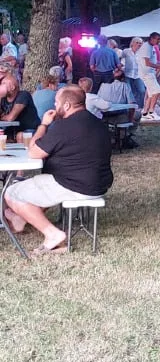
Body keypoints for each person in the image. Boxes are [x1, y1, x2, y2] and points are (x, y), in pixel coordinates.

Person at [3, 85, 113, 254]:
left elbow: (34, 152)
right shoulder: (97, 123)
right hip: (99, 183)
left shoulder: (64, 126)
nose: (54, 106)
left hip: (73, 185)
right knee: (38, 185)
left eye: (56, 102)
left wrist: (44, 124)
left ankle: (53, 234)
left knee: (12, 193)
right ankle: (20, 218)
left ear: (67, 105)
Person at [136, 32, 160, 120]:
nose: (159, 41)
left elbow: (153, 61)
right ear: (152, 38)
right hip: (146, 73)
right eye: (157, 39)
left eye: (159, 39)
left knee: (151, 94)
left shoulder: (151, 47)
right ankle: (151, 111)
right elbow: (147, 63)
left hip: (149, 73)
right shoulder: (146, 47)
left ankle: (145, 113)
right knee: (157, 91)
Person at [1, 76, 41, 142]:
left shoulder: (23, 95)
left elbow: (10, 118)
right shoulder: (3, 99)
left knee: (20, 135)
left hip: (29, 130)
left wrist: (3, 117)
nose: (1, 86)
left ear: (12, 87)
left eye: (3, 83)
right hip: (12, 132)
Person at [122, 37, 144, 105]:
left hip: (138, 75)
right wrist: (121, 67)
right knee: (129, 91)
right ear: (132, 43)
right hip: (127, 74)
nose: (139, 44)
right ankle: (131, 106)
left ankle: (140, 106)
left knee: (142, 90)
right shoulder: (126, 51)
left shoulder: (142, 53)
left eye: (140, 43)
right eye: (137, 42)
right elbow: (121, 60)